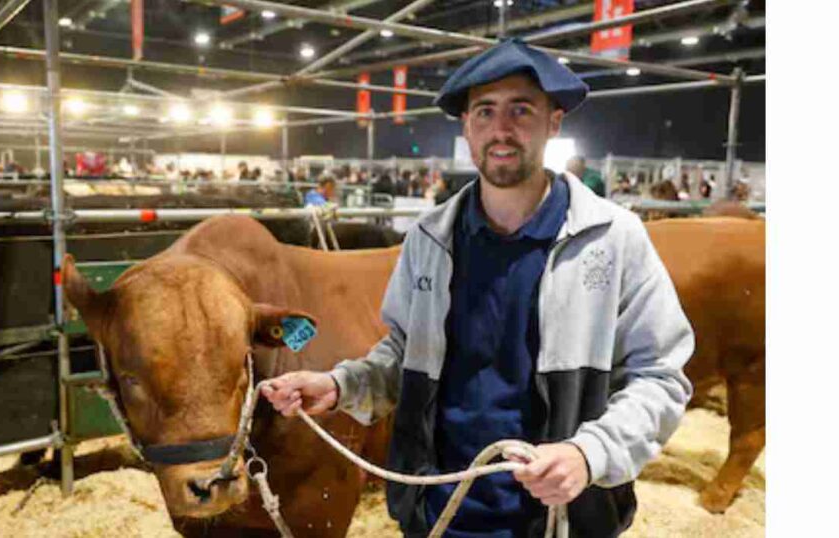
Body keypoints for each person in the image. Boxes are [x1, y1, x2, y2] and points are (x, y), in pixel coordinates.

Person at [261, 39, 694, 538]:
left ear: (554, 122)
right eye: (484, 112)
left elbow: (661, 377)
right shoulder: (429, 238)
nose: (501, 129)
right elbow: (403, 353)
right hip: (439, 512)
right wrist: (342, 386)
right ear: (466, 126)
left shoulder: (611, 239)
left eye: (521, 110)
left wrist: (588, 453)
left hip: (561, 517)